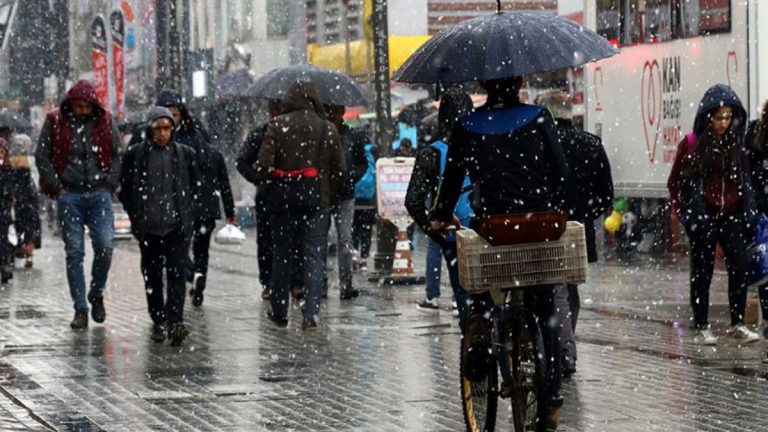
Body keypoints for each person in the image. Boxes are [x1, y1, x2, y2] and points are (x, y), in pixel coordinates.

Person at [430, 76, 568, 429]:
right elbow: (560, 173)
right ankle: (551, 396)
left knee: (481, 288)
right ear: (519, 80)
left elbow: (452, 180)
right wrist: (543, 197)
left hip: (493, 227)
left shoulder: (467, 125)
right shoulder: (540, 116)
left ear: (484, 84)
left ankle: (481, 335)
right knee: (547, 306)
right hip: (538, 224)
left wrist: (441, 215)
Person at [668, 84, 760, 345]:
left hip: (731, 215)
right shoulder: (692, 144)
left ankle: (737, 322)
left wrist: (746, 209)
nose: (724, 123)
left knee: (739, 266)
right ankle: (701, 325)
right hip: (703, 216)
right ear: (708, 117)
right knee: (702, 272)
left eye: (728, 117)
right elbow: (675, 182)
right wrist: (686, 213)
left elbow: (745, 179)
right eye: (719, 117)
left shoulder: (737, 144)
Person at [255, 80, 345, 330]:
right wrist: (326, 192)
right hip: (317, 200)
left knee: (282, 255)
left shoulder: (277, 126)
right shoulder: (327, 128)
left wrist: (268, 188)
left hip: (283, 201)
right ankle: (311, 313)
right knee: (314, 256)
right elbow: (339, 169)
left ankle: (280, 310)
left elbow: (263, 164)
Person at [536, 90, 614, 377]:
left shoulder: (539, 145)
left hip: (543, 228)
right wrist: (582, 215)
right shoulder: (591, 144)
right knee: (569, 289)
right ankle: (564, 346)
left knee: (548, 288)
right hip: (577, 232)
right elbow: (606, 195)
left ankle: (559, 350)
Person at [35, 80, 121, 329]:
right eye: (78, 106)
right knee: (74, 253)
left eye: (86, 106)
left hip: (98, 193)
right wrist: (57, 187)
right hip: (69, 194)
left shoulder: (105, 121)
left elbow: (116, 154)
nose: (82, 110)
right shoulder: (55, 121)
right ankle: (80, 308)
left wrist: (109, 184)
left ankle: (96, 292)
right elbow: (43, 155)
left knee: (105, 246)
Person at [118, 107, 200, 345]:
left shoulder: (185, 154)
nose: (163, 133)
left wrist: (186, 213)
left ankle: (176, 322)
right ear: (149, 129)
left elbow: (194, 186)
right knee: (152, 275)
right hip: (149, 228)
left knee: (176, 273)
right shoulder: (136, 156)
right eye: (158, 128)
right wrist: (137, 215)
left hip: (176, 227)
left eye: (167, 128)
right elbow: (126, 189)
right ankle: (158, 320)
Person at [157, 90, 236, 306]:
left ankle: (192, 275)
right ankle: (199, 279)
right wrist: (230, 211)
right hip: (206, 207)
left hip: (184, 207)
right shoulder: (210, 150)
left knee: (177, 250)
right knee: (202, 250)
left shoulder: (175, 146)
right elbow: (224, 183)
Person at [406, 88, 473, 326]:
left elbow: (413, 201)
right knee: (490, 294)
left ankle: (473, 338)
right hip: (485, 229)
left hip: (453, 231)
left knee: (463, 290)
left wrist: (432, 229)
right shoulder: (485, 143)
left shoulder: (431, 152)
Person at [238, 100, 304, 301]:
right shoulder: (261, 133)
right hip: (269, 195)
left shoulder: (297, 133)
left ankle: (295, 281)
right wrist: (260, 178)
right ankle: (269, 282)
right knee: (267, 240)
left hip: (293, 194)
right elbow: (242, 162)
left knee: (295, 240)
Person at [324, 104, 369, 299]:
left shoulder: (352, 135)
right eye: (328, 111)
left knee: (345, 240)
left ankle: (346, 283)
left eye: (334, 111)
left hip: (345, 195)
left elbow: (362, 163)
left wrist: (351, 178)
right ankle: (321, 283)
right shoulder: (321, 133)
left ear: (341, 113)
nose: (331, 115)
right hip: (324, 194)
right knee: (322, 240)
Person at [744, 98, 768, 349]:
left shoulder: (755, 135)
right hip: (763, 214)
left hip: (762, 211)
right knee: (765, 269)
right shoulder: (755, 136)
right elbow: (751, 177)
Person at [8, 133, 42, 268]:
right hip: (30, 199)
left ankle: (17, 251)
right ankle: (29, 255)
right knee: (30, 227)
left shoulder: (11, 162)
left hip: (18, 200)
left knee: (17, 226)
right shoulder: (31, 161)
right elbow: (35, 180)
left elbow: (10, 182)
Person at [352, 142, 378, 272]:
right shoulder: (372, 153)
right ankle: (364, 260)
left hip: (354, 201)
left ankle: (354, 255)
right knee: (366, 232)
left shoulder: (354, 154)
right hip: (369, 202)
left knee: (354, 230)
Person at [0, 138, 13, 284]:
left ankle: (4, 266)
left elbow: (9, 192)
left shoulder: (7, 168)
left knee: (2, 238)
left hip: (3, 209)